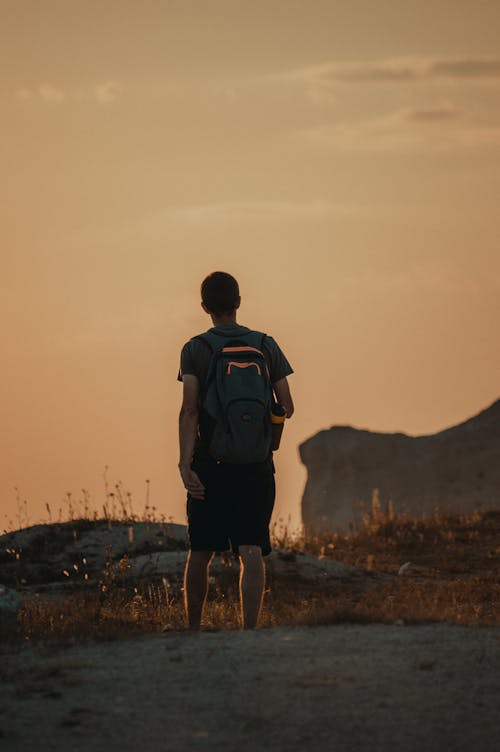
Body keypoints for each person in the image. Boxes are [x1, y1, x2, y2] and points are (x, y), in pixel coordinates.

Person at [177, 271, 294, 630]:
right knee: (251, 550)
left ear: (204, 307)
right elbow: (287, 405)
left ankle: (194, 630)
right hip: (256, 464)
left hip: (211, 463)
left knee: (201, 551)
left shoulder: (195, 348)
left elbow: (190, 410)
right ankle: (249, 632)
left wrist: (185, 465)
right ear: (239, 302)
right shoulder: (265, 344)